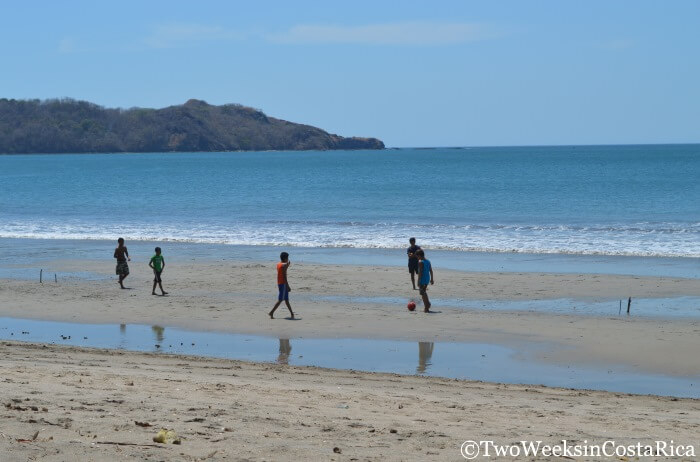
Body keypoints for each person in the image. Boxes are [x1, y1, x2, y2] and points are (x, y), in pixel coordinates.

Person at [268, 252, 295, 319]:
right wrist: (288, 286)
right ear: (285, 258)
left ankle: (292, 314)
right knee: (280, 300)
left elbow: (283, 268)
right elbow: (284, 276)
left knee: (286, 300)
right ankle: (271, 312)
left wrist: (287, 265)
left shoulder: (278, 264)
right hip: (283, 284)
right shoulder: (284, 265)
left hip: (280, 283)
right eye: (287, 258)